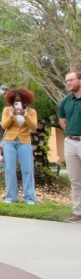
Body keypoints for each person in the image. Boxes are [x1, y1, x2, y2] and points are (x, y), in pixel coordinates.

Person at [0, 87, 38, 204]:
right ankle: (11, 197)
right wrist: (11, 115)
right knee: (10, 170)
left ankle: (30, 198)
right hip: (9, 142)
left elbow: (34, 126)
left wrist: (25, 115)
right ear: (11, 101)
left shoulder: (31, 112)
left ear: (26, 100)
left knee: (27, 170)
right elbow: (4, 126)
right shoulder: (7, 110)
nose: (19, 103)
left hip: (24, 142)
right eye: (16, 101)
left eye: (21, 100)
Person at [58, 71, 81, 223]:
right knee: (75, 180)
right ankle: (78, 213)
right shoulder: (65, 101)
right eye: (66, 81)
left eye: (71, 80)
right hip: (70, 141)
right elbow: (63, 122)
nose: (68, 83)